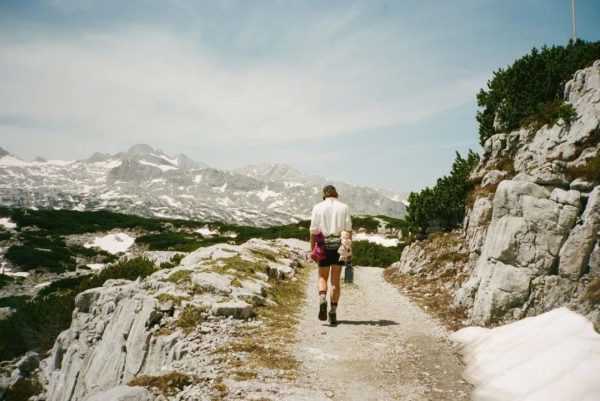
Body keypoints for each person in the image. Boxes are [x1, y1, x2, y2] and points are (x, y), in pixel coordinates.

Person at [309, 185, 352, 325]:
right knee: (335, 281)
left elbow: (313, 231)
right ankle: (333, 312)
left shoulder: (317, 207)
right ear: (336, 194)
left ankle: (322, 299)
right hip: (339, 247)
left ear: (324, 195)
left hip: (323, 246)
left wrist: (312, 250)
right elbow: (348, 231)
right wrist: (349, 251)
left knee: (322, 276)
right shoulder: (344, 207)